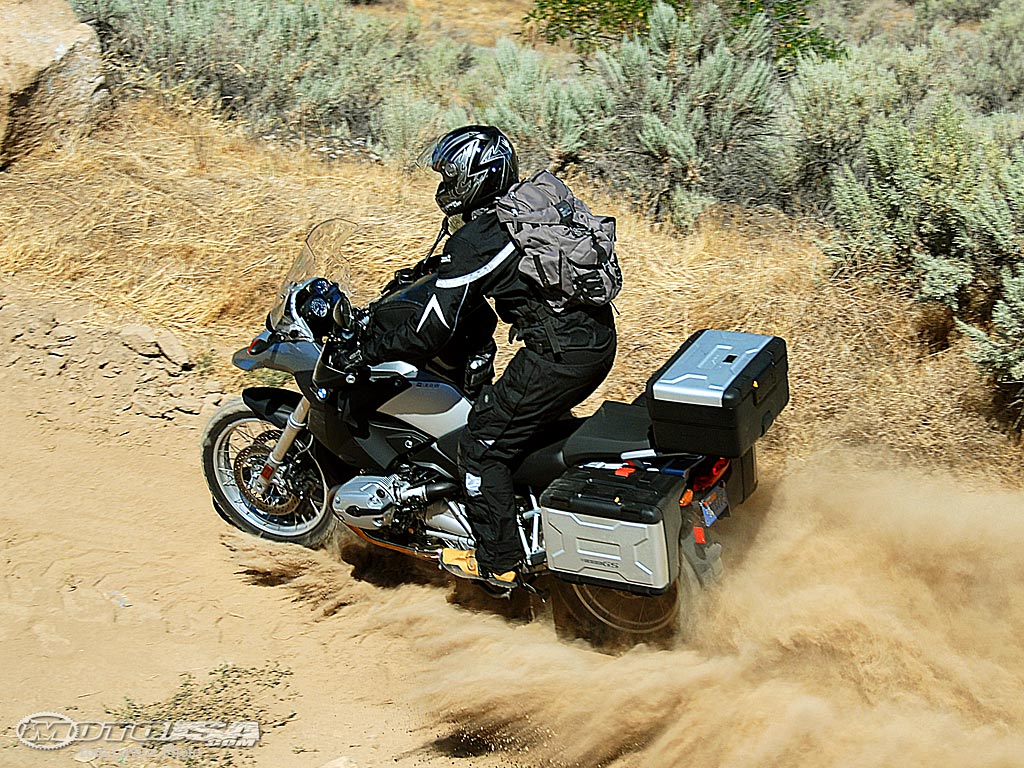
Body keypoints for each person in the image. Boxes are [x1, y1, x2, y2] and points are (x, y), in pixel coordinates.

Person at [360, 125, 617, 587]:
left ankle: (500, 564)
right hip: (592, 340)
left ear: (477, 177)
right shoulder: (524, 207)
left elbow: (431, 329)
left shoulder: (481, 238)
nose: (443, 188)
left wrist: (371, 347)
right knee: (515, 424)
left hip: (560, 357)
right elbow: (470, 282)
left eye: (451, 177)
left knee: (479, 448)